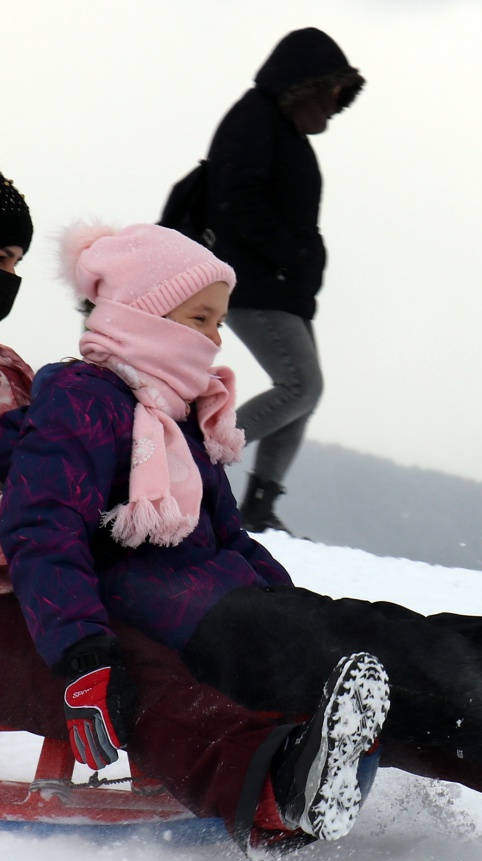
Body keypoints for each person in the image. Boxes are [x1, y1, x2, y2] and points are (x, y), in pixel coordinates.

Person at [0, 224, 482, 845]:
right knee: (394, 654)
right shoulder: (81, 399)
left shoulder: (177, 419)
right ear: (143, 317)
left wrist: (292, 602)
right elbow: (40, 527)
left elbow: (228, 539)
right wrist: (83, 649)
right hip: (183, 624)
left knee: (395, 631)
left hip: (235, 610)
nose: (214, 339)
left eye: (218, 322)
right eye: (200, 319)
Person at [0, 116, 374, 851]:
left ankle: (311, 746)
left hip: (39, 582)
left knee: (194, 633)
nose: (11, 277)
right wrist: (47, 519)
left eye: (19, 259)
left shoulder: (1, 364)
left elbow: (67, 464)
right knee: (120, 669)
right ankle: (267, 783)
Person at [202, 27, 365, 533]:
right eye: (333, 87)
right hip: (256, 282)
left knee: (302, 394)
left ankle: (259, 506)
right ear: (308, 83)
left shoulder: (282, 129)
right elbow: (236, 199)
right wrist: (287, 255)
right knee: (301, 386)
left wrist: (297, 263)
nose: (338, 100)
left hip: (283, 286)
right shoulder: (256, 120)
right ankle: (198, 452)